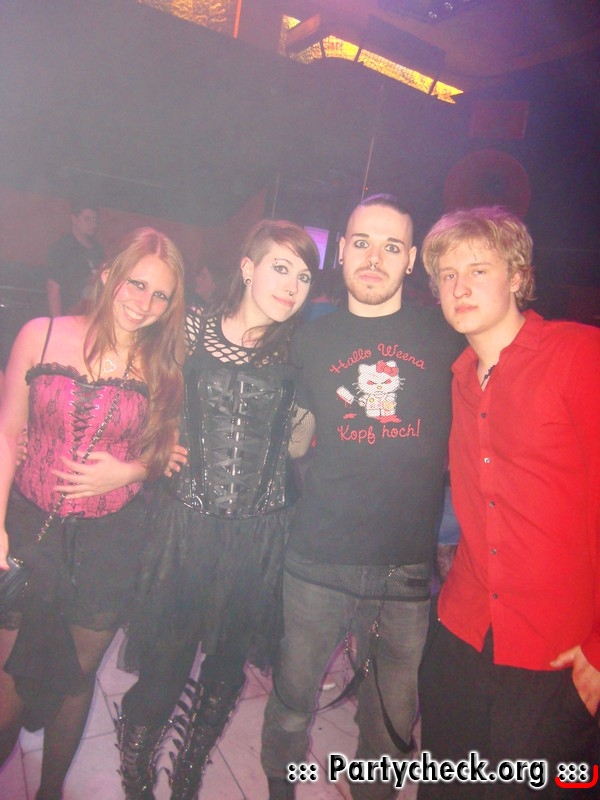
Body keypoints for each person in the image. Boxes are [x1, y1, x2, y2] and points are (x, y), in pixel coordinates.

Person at [260, 194, 463, 800]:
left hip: (405, 572)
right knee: (291, 706)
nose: (375, 258)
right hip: (317, 560)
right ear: (342, 250)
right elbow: (290, 436)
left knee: (390, 728)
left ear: (411, 260)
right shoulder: (308, 339)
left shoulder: (446, 334)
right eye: (363, 243)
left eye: (391, 246)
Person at [116, 219, 320, 800]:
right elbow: (125, 374)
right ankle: (136, 767)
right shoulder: (190, 328)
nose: (291, 285)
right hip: (187, 524)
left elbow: (306, 437)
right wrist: (147, 442)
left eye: (304, 276)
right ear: (248, 268)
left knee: (227, 665)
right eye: (280, 267)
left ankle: (190, 765)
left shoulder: (302, 350)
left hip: (262, 532)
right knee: (167, 662)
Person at [419, 206, 600, 799]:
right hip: (462, 627)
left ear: (518, 276)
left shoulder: (580, 355)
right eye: (447, 275)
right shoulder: (457, 378)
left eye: (478, 270)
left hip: (555, 649)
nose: (460, 287)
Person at [0, 227, 186, 800]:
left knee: (78, 682)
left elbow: (170, 455)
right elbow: (7, 433)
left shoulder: (163, 367)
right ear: (107, 275)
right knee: (8, 681)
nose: (145, 303)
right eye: (136, 284)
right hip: (29, 528)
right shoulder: (41, 332)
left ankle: (49, 792)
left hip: (111, 541)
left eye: (160, 295)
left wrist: (127, 472)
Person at [46, 200, 105, 316]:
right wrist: (57, 321)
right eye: (87, 219)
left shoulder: (98, 250)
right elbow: (53, 288)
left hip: (92, 316)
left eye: (95, 220)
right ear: (74, 219)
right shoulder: (62, 248)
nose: (93, 224)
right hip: (69, 314)